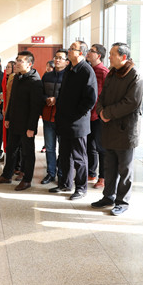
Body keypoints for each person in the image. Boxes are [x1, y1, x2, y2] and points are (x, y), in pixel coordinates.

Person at [91, 42, 143, 215]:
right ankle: (108, 196)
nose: (110, 57)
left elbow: (131, 102)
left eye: (113, 54)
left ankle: (122, 202)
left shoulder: (136, 75)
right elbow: (101, 97)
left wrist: (107, 114)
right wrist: (101, 111)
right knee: (110, 166)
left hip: (125, 129)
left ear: (124, 57)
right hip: (108, 127)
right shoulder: (112, 73)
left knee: (125, 169)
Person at [49, 42, 97, 200]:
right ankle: (65, 183)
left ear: (81, 53)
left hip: (77, 122)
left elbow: (90, 99)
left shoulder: (86, 70)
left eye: (72, 49)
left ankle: (81, 188)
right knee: (64, 155)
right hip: (64, 120)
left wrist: (75, 115)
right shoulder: (69, 68)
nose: (68, 51)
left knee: (79, 157)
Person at [0, 51, 43, 191]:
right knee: (11, 149)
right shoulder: (17, 77)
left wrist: (32, 127)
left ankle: (27, 180)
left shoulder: (35, 81)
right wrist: (7, 117)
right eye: (17, 60)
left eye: (20, 61)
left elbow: (36, 107)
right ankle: (6, 175)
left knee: (27, 152)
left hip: (27, 124)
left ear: (29, 64)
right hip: (14, 121)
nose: (17, 63)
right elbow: (12, 100)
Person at [40, 50, 69, 184]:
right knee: (50, 148)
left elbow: (70, 96)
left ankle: (62, 174)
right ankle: (50, 173)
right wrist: (46, 98)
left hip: (62, 117)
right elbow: (40, 92)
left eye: (60, 58)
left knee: (63, 148)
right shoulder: (47, 76)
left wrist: (56, 100)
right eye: (56, 57)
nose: (57, 60)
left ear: (67, 62)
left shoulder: (69, 76)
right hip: (47, 116)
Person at [85, 43, 109, 188]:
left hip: (98, 115)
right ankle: (91, 172)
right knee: (90, 146)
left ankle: (103, 178)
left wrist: (101, 113)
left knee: (101, 148)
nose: (88, 53)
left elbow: (106, 95)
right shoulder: (90, 69)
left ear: (99, 55)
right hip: (88, 114)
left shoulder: (103, 72)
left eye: (91, 51)